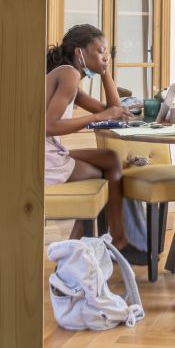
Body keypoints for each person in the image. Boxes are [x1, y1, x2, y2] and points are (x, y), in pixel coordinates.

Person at [45, 24, 131, 248]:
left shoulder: (70, 78)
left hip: (50, 152)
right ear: (79, 52)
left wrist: (105, 72)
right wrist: (98, 117)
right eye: (100, 50)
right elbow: (48, 126)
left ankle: (116, 238)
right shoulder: (69, 75)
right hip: (44, 158)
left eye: (107, 52)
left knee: (110, 159)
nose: (105, 56)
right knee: (98, 176)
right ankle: (80, 248)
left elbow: (114, 109)